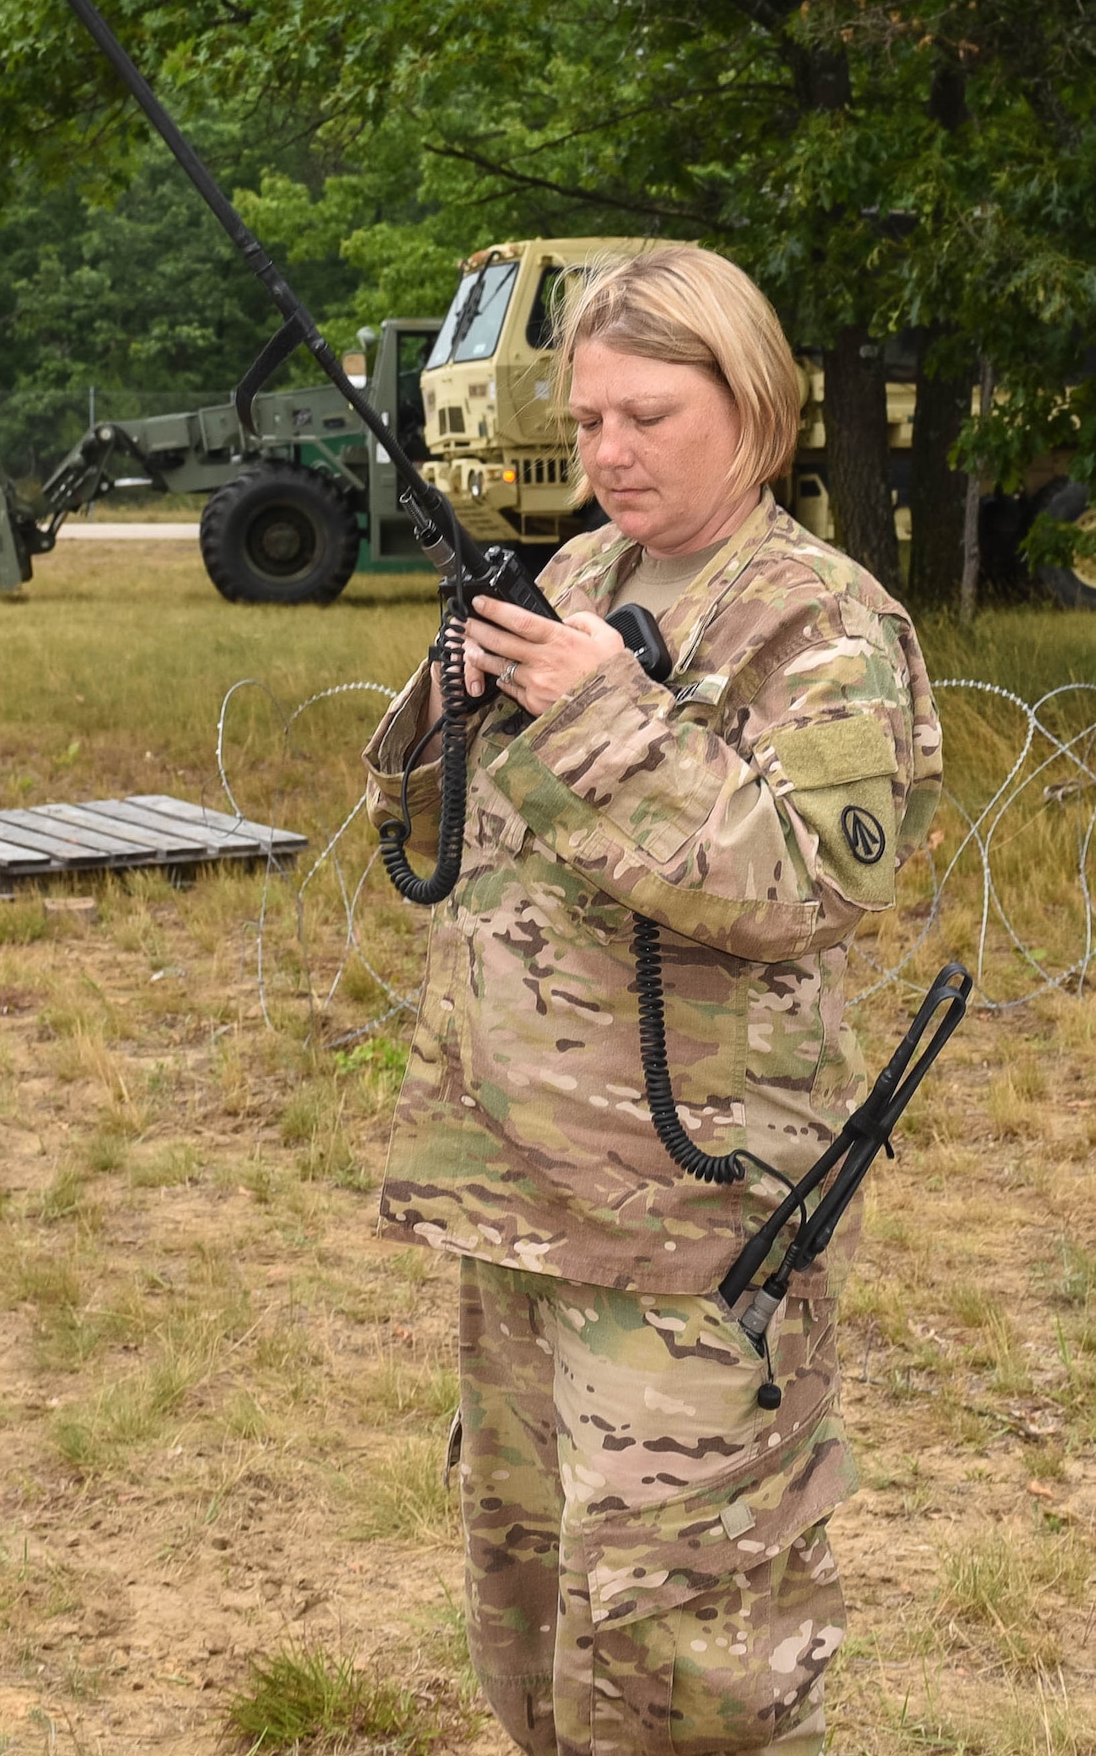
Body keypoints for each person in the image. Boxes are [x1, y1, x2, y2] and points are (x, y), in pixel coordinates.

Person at [363, 246, 941, 1756]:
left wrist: (598, 711)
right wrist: (464, 679)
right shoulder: (577, 577)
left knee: (686, 1644)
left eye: (650, 415)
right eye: (593, 416)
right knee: (533, 1585)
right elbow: (453, 834)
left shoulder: (821, 624)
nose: (609, 451)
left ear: (750, 405)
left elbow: (800, 883)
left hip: (696, 1222)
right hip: (525, 1189)